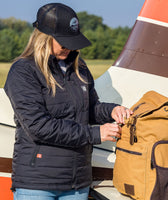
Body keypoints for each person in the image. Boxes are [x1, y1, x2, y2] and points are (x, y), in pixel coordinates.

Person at [4, 3, 133, 200]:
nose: (70, 48)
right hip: (37, 185)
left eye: (73, 42)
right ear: (44, 38)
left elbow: (88, 110)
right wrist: (96, 133)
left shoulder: (79, 68)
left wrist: (112, 111)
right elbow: (38, 126)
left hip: (77, 184)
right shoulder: (23, 71)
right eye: (64, 43)